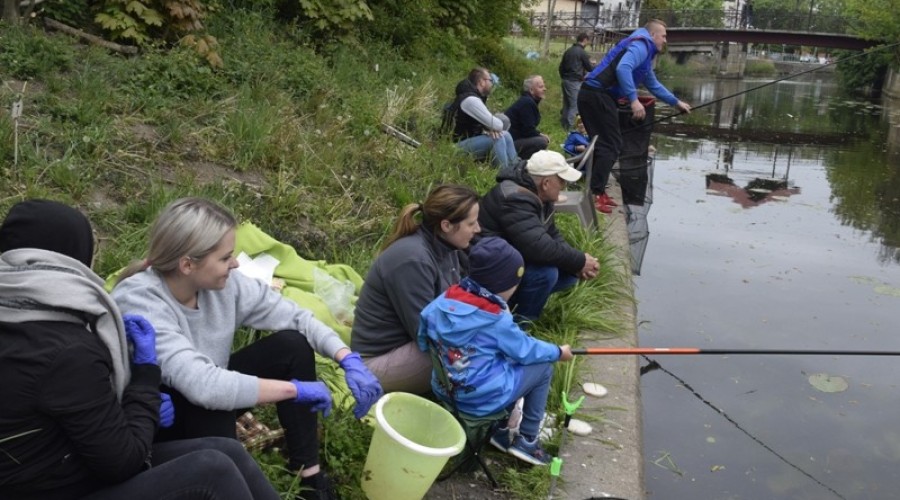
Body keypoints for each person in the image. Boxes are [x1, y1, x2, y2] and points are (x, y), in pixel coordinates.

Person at [0, 199, 280, 500]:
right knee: (212, 470)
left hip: (58, 462)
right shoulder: (68, 350)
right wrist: (145, 378)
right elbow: (123, 463)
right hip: (56, 486)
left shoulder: (15, 310)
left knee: (223, 449)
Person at [111, 197, 383, 500]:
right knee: (212, 407)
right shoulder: (141, 302)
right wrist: (294, 390)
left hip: (206, 391)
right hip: (158, 422)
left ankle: (309, 477)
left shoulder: (225, 286)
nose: (236, 263)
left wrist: (346, 357)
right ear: (187, 264)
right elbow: (204, 386)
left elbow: (295, 316)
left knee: (291, 345)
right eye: (226, 257)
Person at [417, 236, 574, 466]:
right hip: (479, 398)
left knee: (504, 361)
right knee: (542, 368)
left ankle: (500, 430)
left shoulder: (444, 300)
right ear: (503, 285)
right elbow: (527, 350)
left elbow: (423, 332)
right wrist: (558, 352)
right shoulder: (495, 319)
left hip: (444, 388)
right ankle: (528, 440)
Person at [350, 185, 481, 395]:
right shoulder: (413, 259)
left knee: (482, 343)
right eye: (471, 223)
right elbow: (426, 333)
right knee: (468, 355)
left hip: (407, 347)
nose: (478, 229)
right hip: (375, 362)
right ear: (446, 225)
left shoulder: (447, 248)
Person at [578, 19, 691, 214]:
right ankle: (596, 194)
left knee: (606, 144)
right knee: (611, 145)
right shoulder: (641, 45)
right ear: (653, 35)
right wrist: (633, 100)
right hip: (596, 95)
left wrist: (676, 103)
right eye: (663, 36)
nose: (665, 40)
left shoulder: (644, 55)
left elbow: (653, 85)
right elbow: (623, 68)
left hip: (593, 95)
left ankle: (596, 190)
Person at [478, 150, 600, 323]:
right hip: (488, 267)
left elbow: (551, 234)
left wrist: (577, 263)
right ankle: (520, 324)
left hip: (512, 256)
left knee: (570, 274)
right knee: (545, 274)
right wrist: (579, 260)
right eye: (562, 181)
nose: (564, 186)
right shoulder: (515, 199)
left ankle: (513, 304)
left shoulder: (540, 196)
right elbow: (538, 247)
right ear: (546, 183)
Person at [450, 67, 519, 170]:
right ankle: (505, 175)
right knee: (498, 137)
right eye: (490, 80)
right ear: (481, 82)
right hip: (456, 147)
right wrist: (491, 128)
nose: (492, 84)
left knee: (506, 134)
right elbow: (498, 125)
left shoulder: (473, 97)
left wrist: (489, 129)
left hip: (468, 140)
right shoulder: (471, 100)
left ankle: (516, 169)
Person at [504, 75, 551, 160]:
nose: (545, 89)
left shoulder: (527, 101)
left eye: (544, 86)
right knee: (542, 142)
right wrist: (541, 135)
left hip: (514, 140)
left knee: (541, 139)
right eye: (541, 87)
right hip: (509, 144)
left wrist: (539, 134)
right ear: (531, 90)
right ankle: (521, 162)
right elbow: (528, 130)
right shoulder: (527, 103)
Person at [559, 32, 594, 130]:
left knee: (567, 103)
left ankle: (564, 124)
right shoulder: (582, 52)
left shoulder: (569, 51)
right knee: (574, 105)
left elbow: (561, 67)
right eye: (588, 41)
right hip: (574, 81)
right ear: (585, 40)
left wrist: (563, 76)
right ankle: (570, 127)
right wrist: (593, 65)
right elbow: (590, 68)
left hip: (565, 80)